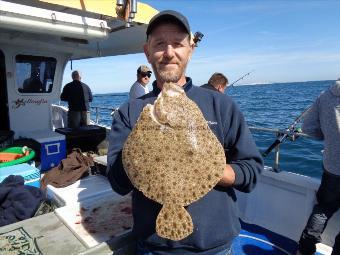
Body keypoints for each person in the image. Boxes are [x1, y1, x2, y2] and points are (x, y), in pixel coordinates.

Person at [107, 10, 263, 255]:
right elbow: (118, 183)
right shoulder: (130, 112)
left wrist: (208, 168)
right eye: (159, 44)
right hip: (152, 246)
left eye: (178, 44)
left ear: (190, 49)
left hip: (216, 248)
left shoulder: (221, 105)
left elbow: (252, 172)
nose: (169, 53)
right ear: (147, 51)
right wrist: (141, 147)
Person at [296, 79, 340, 255]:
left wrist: (327, 138)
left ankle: (305, 250)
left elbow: (308, 127)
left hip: (333, 167)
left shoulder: (325, 96)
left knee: (323, 209)